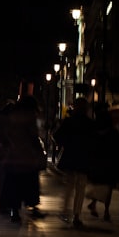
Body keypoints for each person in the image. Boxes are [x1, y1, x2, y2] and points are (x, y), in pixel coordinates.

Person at [0, 95, 44, 224]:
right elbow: (34, 137)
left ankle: (14, 211)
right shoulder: (29, 117)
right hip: (27, 155)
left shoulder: (11, 115)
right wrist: (39, 152)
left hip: (13, 155)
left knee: (13, 184)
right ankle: (32, 206)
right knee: (30, 182)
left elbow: (3, 133)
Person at [53, 97, 94, 228]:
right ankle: (77, 214)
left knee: (69, 185)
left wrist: (65, 144)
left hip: (70, 156)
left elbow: (56, 136)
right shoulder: (89, 123)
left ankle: (65, 211)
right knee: (81, 187)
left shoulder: (69, 121)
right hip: (84, 157)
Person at [85, 102, 119, 221]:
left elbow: (89, 148)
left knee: (96, 185)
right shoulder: (113, 133)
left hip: (96, 164)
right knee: (108, 188)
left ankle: (94, 205)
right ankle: (106, 211)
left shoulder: (93, 133)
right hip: (109, 164)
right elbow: (118, 149)